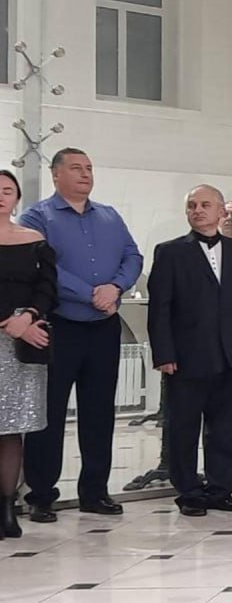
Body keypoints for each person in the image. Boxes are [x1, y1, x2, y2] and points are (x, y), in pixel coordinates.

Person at [20, 147, 142, 522]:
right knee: (50, 413)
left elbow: (133, 256)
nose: (86, 174)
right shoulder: (37, 216)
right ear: (56, 174)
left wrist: (115, 287)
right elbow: (41, 267)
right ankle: (41, 495)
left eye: (89, 167)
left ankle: (95, 491)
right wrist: (90, 293)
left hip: (103, 327)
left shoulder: (110, 215)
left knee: (99, 412)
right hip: (60, 326)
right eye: (76, 168)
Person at [147, 185, 232, 516]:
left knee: (224, 428)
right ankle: (188, 491)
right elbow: (160, 308)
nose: (197, 210)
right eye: (192, 205)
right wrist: (164, 353)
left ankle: (220, 489)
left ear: (221, 212)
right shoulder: (170, 252)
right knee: (183, 428)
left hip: (230, 354)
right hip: (186, 356)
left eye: (205, 205)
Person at [0, 170, 55, 539]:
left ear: (17, 198)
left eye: (7, 190)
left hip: (24, 340)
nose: (0, 196)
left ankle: (7, 508)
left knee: (11, 430)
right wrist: (9, 323)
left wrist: (30, 317)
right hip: (13, 329)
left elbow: (48, 287)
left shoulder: (34, 240)